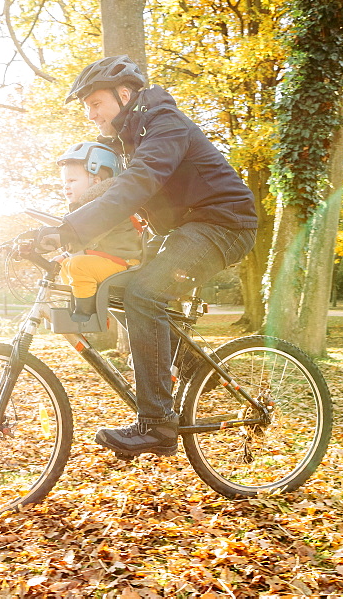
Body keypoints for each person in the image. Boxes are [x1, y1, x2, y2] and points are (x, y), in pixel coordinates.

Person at [34, 55, 258, 457]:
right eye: (86, 106)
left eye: (95, 103)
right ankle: (189, 368)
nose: (90, 114)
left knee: (142, 293)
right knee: (120, 287)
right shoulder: (126, 139)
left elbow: (136, 185)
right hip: (183, 230)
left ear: (124, 94)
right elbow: (104, 190)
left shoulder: (164, 125)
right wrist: (53, 231)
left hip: (224, 224)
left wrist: (68, 230)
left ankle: (156, 425)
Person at [54, 141, 143, 321]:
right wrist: (64, 256)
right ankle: (91, 306)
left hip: (122, 262)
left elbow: (86, 235)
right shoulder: (88, 208)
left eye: (72, 180)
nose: (66, 186)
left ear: (96, 181)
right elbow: (85, 241)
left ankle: (87, 315)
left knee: (77, 265)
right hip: (107, 261)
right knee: (66, 267)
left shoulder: (106, 206)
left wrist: (57, 241)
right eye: (64, 182)